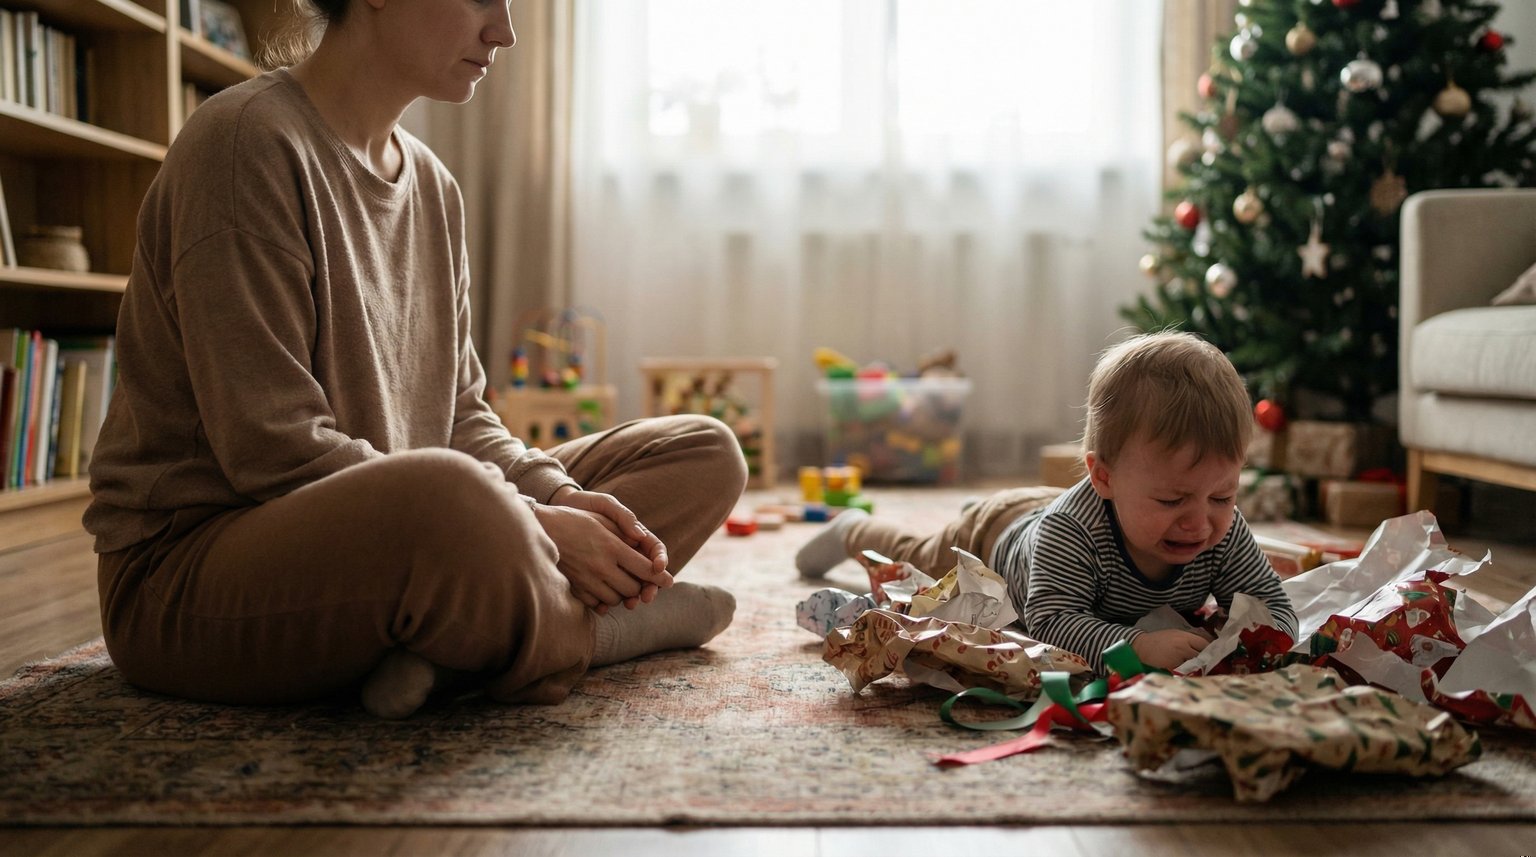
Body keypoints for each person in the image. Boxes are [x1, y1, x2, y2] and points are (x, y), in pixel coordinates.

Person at [84, 0, 745, 719]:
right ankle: (610, 632)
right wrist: (534, 523)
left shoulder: (432, 185)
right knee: (457, 497)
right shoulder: (245, 144)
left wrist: (557, 498)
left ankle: (453, 640)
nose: (505, 31)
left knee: (704, 450)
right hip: (190, 574)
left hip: (414, 533)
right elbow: (272, 452)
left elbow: (461, 415)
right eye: (479, 0)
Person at [796, 331, 1297, 672]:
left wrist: (1261, 642)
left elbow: (1273, 604)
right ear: (1103, 476)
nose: (1199, 522)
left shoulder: (1221, 528)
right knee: (919, 556)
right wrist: (1138, 646)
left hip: (1048, 513)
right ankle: (854, 528)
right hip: (994, 538)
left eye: (1222, 495)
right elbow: (1051, 623)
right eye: (1171, 500)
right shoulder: (1071, 534)